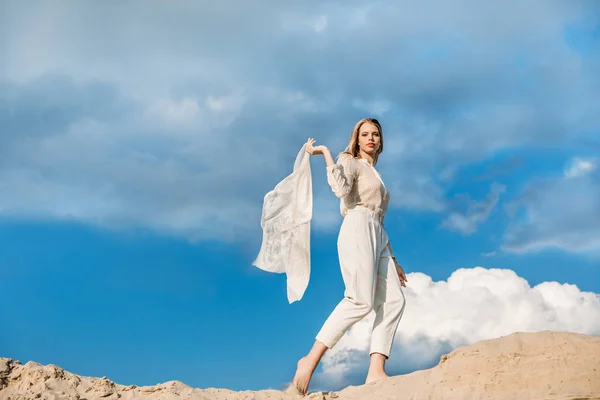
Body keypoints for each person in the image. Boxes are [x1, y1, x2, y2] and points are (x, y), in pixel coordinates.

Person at [287, 117, 408, 396]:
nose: (371, 138)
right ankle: (310, 360)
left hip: (378, 234)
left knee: (394, 300)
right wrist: (328, 155)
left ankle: (376, 371)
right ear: (357, 138)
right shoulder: (349, 160)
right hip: (357, 226)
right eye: (365, 134)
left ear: (381, 141)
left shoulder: (373, 171)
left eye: (375, 134)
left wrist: (393, 258)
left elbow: (379, 218)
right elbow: (342, 191)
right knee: (360, 300)